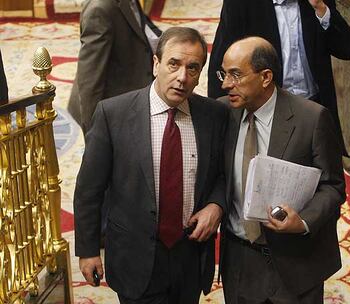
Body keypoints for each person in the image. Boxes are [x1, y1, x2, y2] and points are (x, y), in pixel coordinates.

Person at [73, 27, 228, 304]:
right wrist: (88, 250)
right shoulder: (113, 114)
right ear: (156, 65)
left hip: (190, 255)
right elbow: (89, 189)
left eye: (193, 68)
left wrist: (216, 205)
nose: (182, 77)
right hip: (136, 256)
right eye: (174, 64)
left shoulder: (214, 115)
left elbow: (223, 173)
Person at [219, 37, 346, 303]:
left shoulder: (311, 118)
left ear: (266, 77)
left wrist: (302, 221)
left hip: (296, 263)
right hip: (240, 263)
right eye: (224, 73)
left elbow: (333, 186)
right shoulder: (220, 114)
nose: (225, 84)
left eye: (236, 75)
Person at [208, 0, 350, 156]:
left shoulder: (317, 3)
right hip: (266, 111)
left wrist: (321, 9)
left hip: (313, 109)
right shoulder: (241, 4)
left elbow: (348, 49)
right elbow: (221, 64)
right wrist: (220, 126)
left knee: (322, 175)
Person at [68, 0, 161, 133]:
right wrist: (93, 133)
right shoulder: (99, 10)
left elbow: (143, 25)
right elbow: (90, 79)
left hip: (133, 86)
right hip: (113, 107)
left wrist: (172, 42)